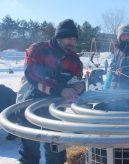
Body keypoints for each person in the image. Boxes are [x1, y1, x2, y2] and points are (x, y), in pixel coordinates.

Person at [17, 19, 84, 164]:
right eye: (68, 38)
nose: (71, 42)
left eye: (74, 39)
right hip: (30, 105)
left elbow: (77, 80)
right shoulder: (39, 49)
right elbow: (33, 74)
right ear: (59, 37)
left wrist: (79, 87)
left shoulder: (75, 60)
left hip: (55, 111)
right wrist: (60, 89)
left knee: (56, 154)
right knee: (30, 155)